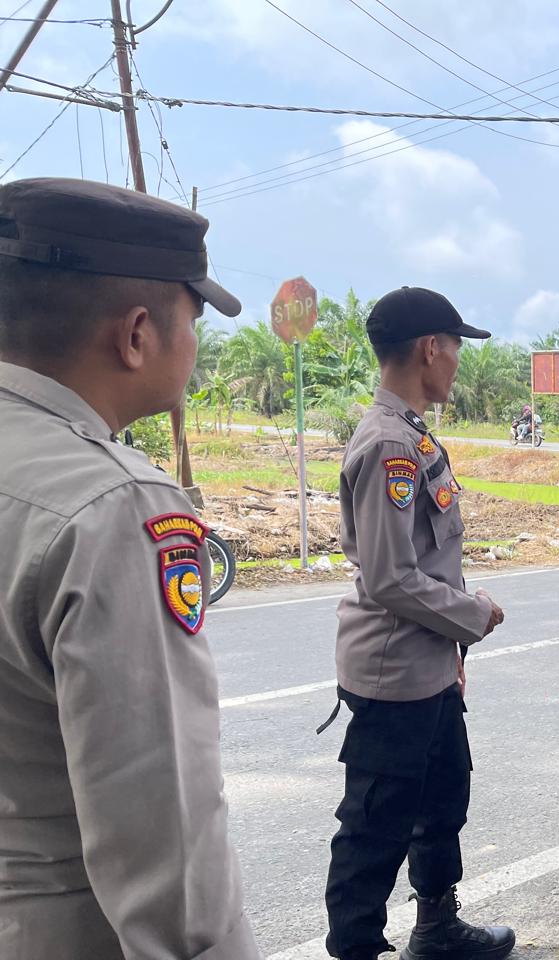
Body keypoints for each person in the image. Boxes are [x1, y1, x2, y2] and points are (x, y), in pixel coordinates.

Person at [0, 178, 260, 958]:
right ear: (138, 334)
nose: (195, 346)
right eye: (194, 322)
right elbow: (164, 836)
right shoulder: (115, 506)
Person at [322, 286, 514, 960]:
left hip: (426, 663)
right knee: (376, 826)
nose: (458, 361)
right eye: (456, 346)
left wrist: (452, 640)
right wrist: (473, 615)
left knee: (442, 801)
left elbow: (424, 561)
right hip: (394, 673)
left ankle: (436, 927)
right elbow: (389, 576)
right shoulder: (388, 444)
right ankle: (356, 951)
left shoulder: (411, 433)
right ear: (431, 348)